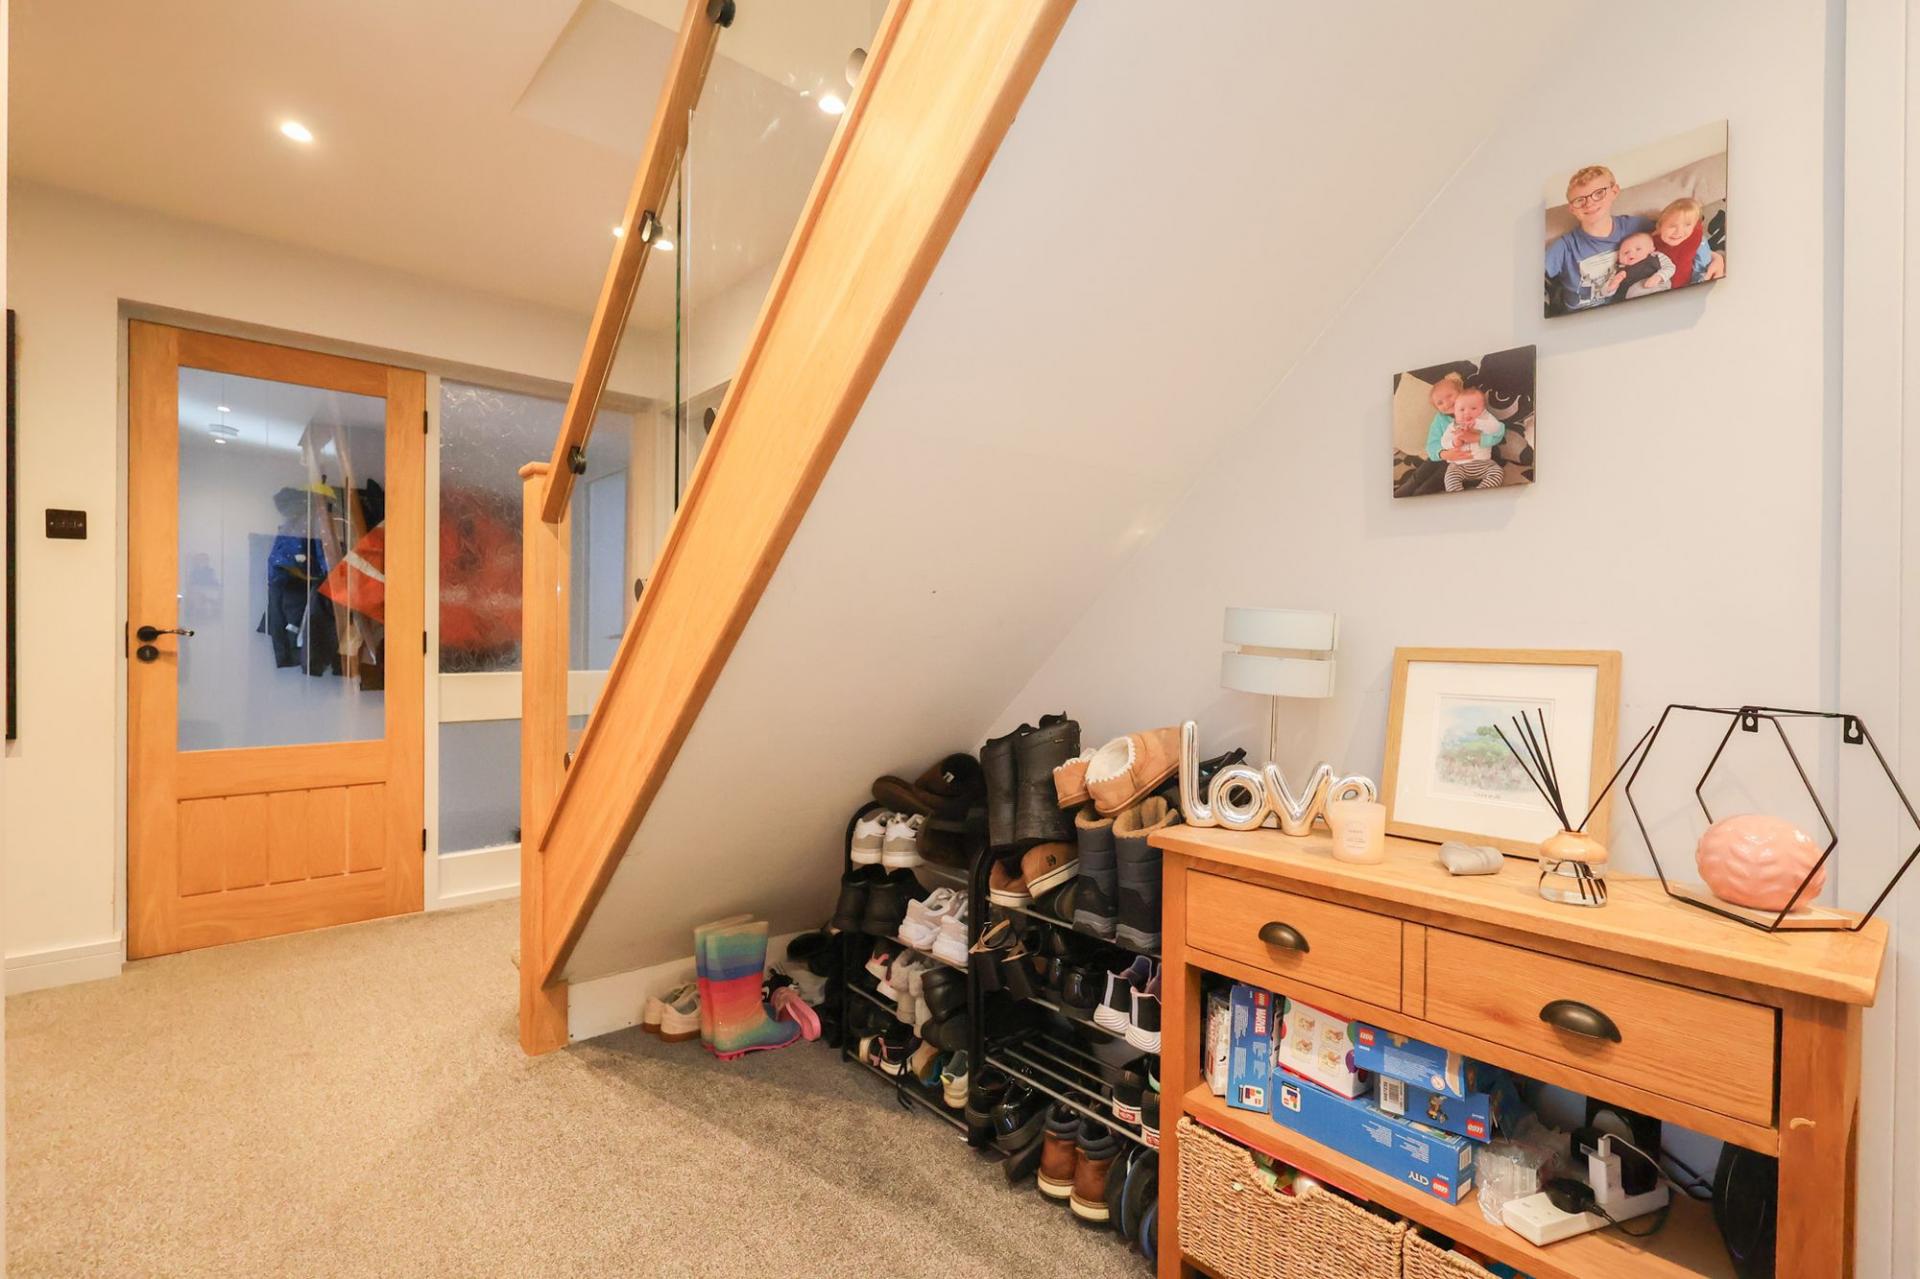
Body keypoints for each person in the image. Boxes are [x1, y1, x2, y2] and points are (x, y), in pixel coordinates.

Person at [1544, 164, 1651, 314]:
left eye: (1599, 193)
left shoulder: (1636, 226)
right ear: (1572, 209)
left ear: (1614, 191)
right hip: (1580, 316)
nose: (1589, 203)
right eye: (1579, 200)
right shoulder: (1564, 247)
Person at [1429, 386, 1505, 492]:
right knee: (1450, 476)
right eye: (1462, 410)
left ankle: (1480, 492)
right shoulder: (1453, 426)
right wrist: (1454, 442)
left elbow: (1497, 428)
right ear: (1456, 411)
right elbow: (1443, 441)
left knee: (1497, 472)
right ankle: (1459, 496)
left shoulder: (1484, 419)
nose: (1467, 413)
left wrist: (1478, 424)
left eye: (1473, 408)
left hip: (1484, 463)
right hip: (1458, 466)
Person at [1651, 196, 1723, 288]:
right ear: (1659, 226)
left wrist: (1717, 259)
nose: (1679, 232)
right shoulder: (1651, 242)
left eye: (1687, 225)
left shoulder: (1695, 235)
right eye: (1672, 226)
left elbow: (1705, 257)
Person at [1607, 231, 1676, 299]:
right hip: (1631, 301)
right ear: (1619, 257)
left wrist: (1659, 277)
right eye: (1626, 252)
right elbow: (1606, 292)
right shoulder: (1618, 270)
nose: (1631, 254)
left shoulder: (1656, 256)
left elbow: (1670, 267)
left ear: (1652, 249)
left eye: (1638, 249)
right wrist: (1613, 285)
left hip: (1657, 290)